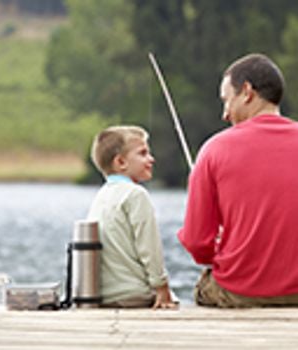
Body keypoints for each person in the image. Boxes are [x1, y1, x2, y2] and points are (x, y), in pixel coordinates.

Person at [178, 53, 298, 308]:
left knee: (203, 287)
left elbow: (197, 242)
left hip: (240, 293)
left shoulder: (214, 149)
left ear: (246, 92)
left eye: (226, 100)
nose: (225, 114)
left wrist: (221, 249)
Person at [88, 125, 176, 308]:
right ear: (121, 162)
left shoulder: (102, 196)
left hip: (104, 295)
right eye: (143, 153)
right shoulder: (136, 195)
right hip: (133, 294)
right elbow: (149, 247)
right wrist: (162, 287)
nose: (151, 159)